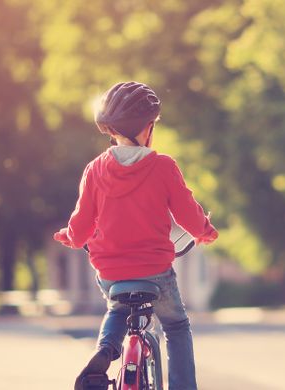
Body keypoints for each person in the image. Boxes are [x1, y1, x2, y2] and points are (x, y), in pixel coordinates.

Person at [53, 81, 217, 390]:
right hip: (154, 272)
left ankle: (105, 350)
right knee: (177, 326)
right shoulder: (164, 167)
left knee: (117, 309)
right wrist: (204, 231)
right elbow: (187, 213)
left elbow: (82, 223)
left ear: (111, 130)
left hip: (112, 273)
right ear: (147, 128)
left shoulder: (94, 170)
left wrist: (70, 237)